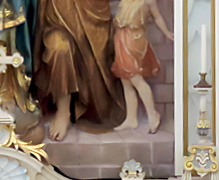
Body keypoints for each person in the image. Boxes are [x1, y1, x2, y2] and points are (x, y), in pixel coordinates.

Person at [32, 0, 124, 141]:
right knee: (60, 48)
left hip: (88, 15)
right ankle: (63, 111)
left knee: (91, 59)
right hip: (55, 18)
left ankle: (81, 105)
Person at [111, 0, 174, 134]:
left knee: (135, 78)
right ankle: (131, 118)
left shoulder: (148, 1)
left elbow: (157, 17)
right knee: (125, 80)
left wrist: (167, 32)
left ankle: (152, 114)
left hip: (134, 39)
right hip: (121, 38)